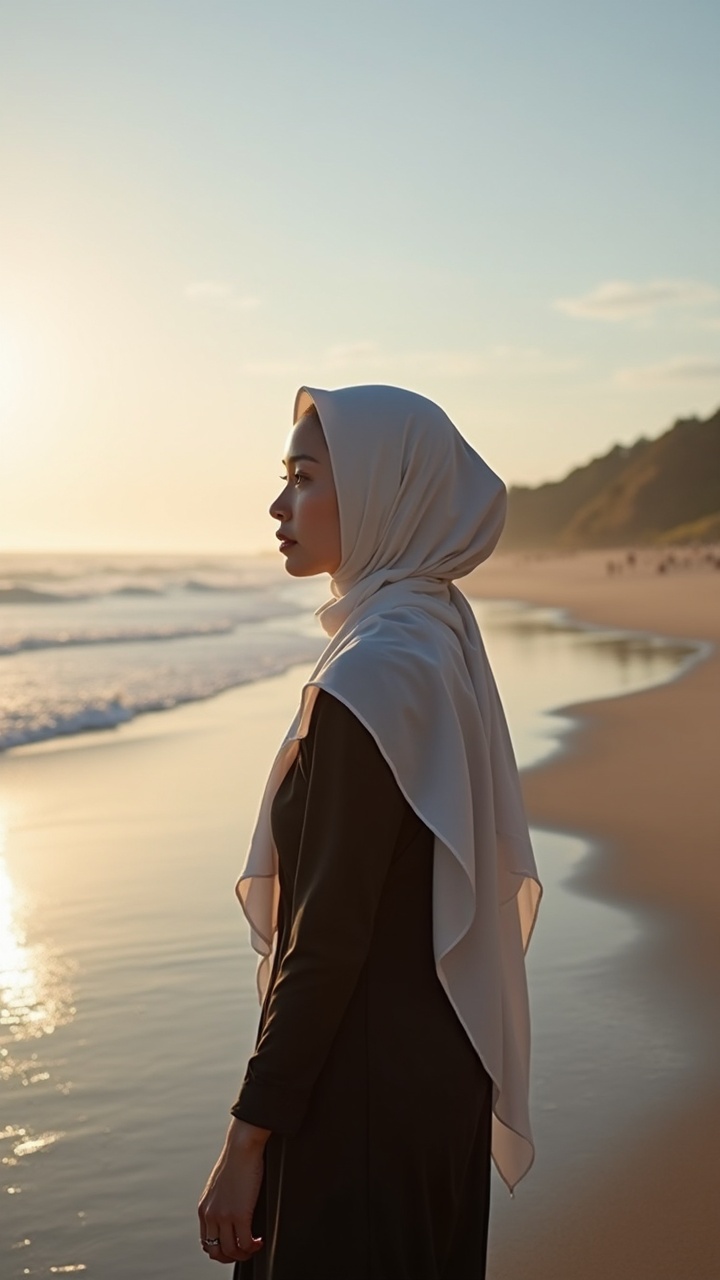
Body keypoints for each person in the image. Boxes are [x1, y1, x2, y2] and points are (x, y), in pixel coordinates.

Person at [198, 385, 542, 1279]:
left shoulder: (378, 668)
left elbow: (326, 943)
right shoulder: (430, 638)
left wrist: (245, 1143)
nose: (279, 505)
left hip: (361, 1100)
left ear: (385, 494)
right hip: (433, 1080)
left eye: (304, 479)